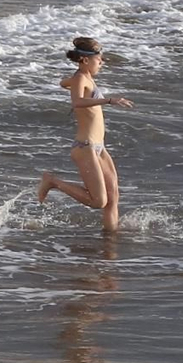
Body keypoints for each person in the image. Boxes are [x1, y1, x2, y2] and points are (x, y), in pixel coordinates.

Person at [37, 37, 131, 232]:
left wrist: (68, 83)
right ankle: (52, 181)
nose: (101, 63)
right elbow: (77, 102)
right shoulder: (81, 78)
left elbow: (63, 83)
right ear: (85, 60)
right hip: (85, 147)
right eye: (98, 59)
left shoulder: (83, 78)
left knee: (113, 198)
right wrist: (108, 100)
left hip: (99, 148)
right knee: (98, 201)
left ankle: (111, 238)